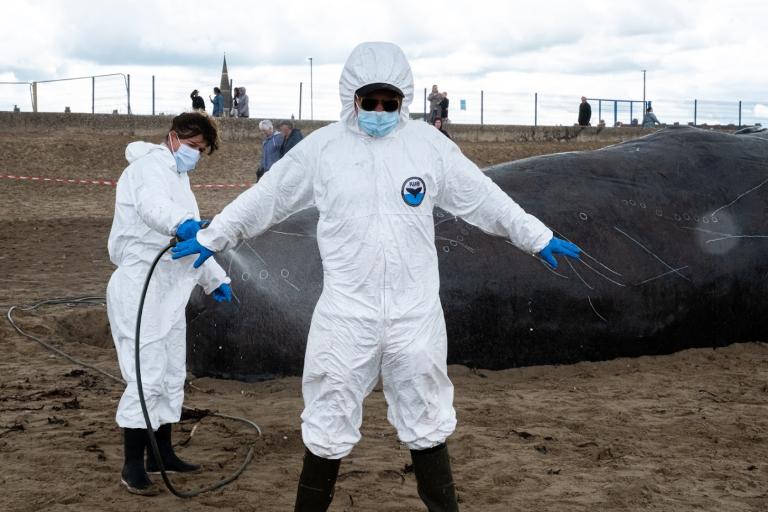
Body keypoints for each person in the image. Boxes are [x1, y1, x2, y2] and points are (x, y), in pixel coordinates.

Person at [171, 42, 581, 512]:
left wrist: (536, 236)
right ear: (354, 98)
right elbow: (268, 198)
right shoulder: (324, 150)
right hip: (346, 315)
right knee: (327, 418)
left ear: (403, 100)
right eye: (371, 101)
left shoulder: (427, 147)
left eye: (390, 102)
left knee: (427, 417)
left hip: (414, 315)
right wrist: (214, 236)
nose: (380, 111)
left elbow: (482, 197)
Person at [107, 112, 232, 496]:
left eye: (201, 150)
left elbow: (191, 244)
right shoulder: (147, 169)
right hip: (140, 285)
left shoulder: (179, 178)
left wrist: (215, 279)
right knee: (146, 375)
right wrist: (180, 223)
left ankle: (161, 453)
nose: (195, 154)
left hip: (171, 290)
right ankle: (132, 465)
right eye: (192, 146)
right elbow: (153, 208)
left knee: (171, 372)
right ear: (173, 137)